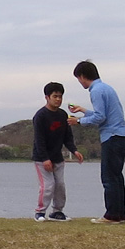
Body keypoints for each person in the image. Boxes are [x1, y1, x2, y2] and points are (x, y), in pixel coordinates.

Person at [68, 60, 125, 224]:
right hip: (122, 135)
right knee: (117, 177)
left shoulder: (95, 91)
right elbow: (103, 113)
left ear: (82, 76)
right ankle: (119, 215)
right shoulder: (106, 88)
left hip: (111, 136)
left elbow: (100, 117)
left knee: (108, 177)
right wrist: (83, 110)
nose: (80, 82)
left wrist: (79, 121)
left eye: (78, 78)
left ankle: (111, 215)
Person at [33, 82, 84, 222]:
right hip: (42, 158)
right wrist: (45, 159)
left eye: (60, 97)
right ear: (47, 97)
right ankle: (40, 212)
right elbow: (39, 140)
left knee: (60, 185)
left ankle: (57, 212)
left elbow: (67, 137)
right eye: (55, 96)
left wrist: (74, 150)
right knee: (48, 186)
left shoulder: (63, 115)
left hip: (57, 157)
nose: (58, 100)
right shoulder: (40, 116)